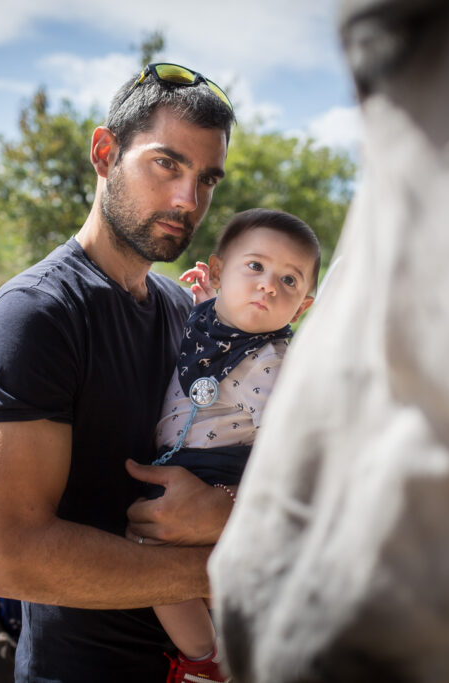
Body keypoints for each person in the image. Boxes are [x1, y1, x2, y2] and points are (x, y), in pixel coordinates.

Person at [0, 62, 237, 681]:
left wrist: (225, 508)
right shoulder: (35, 315)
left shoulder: (178, 307)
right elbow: (13, 557)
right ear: (105, 152)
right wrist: (225, 568)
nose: (187, 200)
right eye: (167, 164)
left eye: (206, 179)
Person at [142, 208, 320, 682]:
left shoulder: (270, 363)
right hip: (188, 462)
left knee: (145, 548)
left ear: (302, 307)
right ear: (219, 272)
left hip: (216, 471)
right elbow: (214, 333)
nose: (268, 286)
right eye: (255, 267)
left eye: (289, 281)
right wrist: (207, 299)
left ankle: (204, 656)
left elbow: (293, 445)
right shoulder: (210, 326)